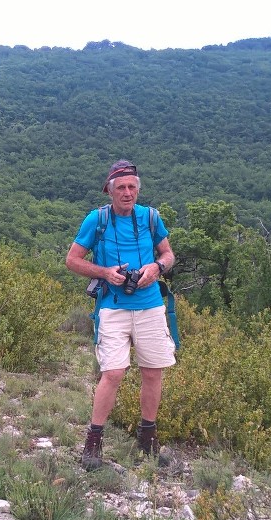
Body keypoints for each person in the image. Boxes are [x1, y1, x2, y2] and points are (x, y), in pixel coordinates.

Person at [65, 160, 177, 470]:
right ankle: (93, 439)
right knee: (113, 372)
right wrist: (104, 272)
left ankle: (147, 437)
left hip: (151, 304)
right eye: (121, 188)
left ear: (138, 190)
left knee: (153, 371)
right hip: (112, 305)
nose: (127, 193)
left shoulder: (151, 218)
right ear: (110, 191)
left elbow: (168, 254)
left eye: (132, 188)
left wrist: (157, 267)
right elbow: (72, 260)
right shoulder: (97, 220)